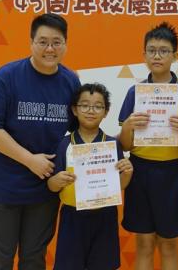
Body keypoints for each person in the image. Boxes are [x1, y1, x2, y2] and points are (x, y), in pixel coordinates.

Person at [0, 13, 81, 270]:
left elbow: (78, 133)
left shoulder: (70, 81)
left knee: (34, 260)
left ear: (66, 44)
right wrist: (29, 160)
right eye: (43, 42)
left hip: (44, 189)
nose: (50, 49)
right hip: (2, 187)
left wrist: (117, 146)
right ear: (31, 42)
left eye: (56, 42)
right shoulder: (7, 76)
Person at [118, 22, 178, 270]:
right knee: (144, 243)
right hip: (139, 170)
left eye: (163, 51)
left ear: (175, 55)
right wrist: (128, 126)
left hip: (172, 172)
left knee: (169, 244)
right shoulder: (135, 92)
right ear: (144, 55)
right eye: (151, 50)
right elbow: (125, 144)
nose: (157, 56)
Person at [48, 83, 133, 270]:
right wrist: (56, 180)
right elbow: (52, 186)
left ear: (106, 112)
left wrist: (127, 173)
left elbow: (120, 185)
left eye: (98, 106)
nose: (90, 111)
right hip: (72, 216)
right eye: (84, 105)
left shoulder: (111, 145)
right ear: (74, 110)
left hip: (105, 216)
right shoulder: (64, 144)